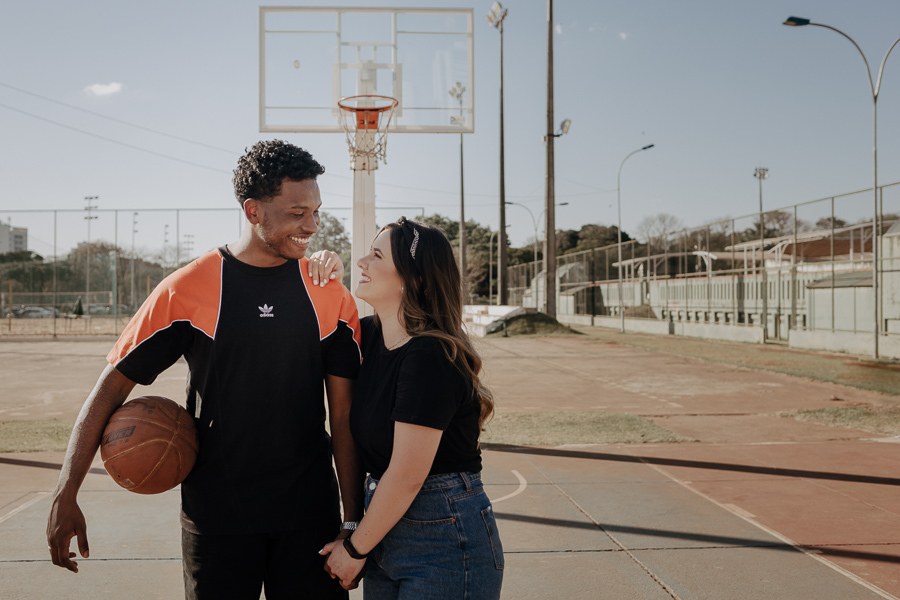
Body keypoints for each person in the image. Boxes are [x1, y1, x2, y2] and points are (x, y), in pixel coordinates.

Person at [46, 140, 365, 600]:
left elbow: (344, 418)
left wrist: (351, 524)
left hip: (308, 518)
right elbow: (111, 387)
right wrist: (65, 492)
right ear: (253, 211)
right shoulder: (187, 289)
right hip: (217, 517)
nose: (312, 225)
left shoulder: (329, 294)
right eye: (298, 213)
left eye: (315, 211)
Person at [321, 217, 504, 599]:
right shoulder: (368, 336)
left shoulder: (430, 355)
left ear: (413, 278)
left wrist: (354, 550)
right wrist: (318, 269)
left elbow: (407, 474)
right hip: (385, 528)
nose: (361, 263)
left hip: (444, 537)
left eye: (375, 255)